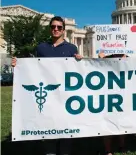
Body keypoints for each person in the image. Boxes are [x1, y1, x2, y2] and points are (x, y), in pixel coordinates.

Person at [11, 16, 82, 155]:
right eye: (53, 27)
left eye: (59, 27)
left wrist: (81, 61)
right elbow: (33, 69)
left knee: (66, 132)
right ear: (50, 29)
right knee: (48, 129)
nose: (56, 29)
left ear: (63, 30)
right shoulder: (41, 48)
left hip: (65, 96)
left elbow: (78, 72)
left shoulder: (72, 48)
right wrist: (18, 65)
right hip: (48, 96)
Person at [98, 48, 136, 155]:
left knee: (122, 121)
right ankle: (108, 149)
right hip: (108, 96)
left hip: (124, 95)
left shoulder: (129, 58)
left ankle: (122, 145)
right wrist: (100, 59)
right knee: (107, 123)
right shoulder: (105, 58)